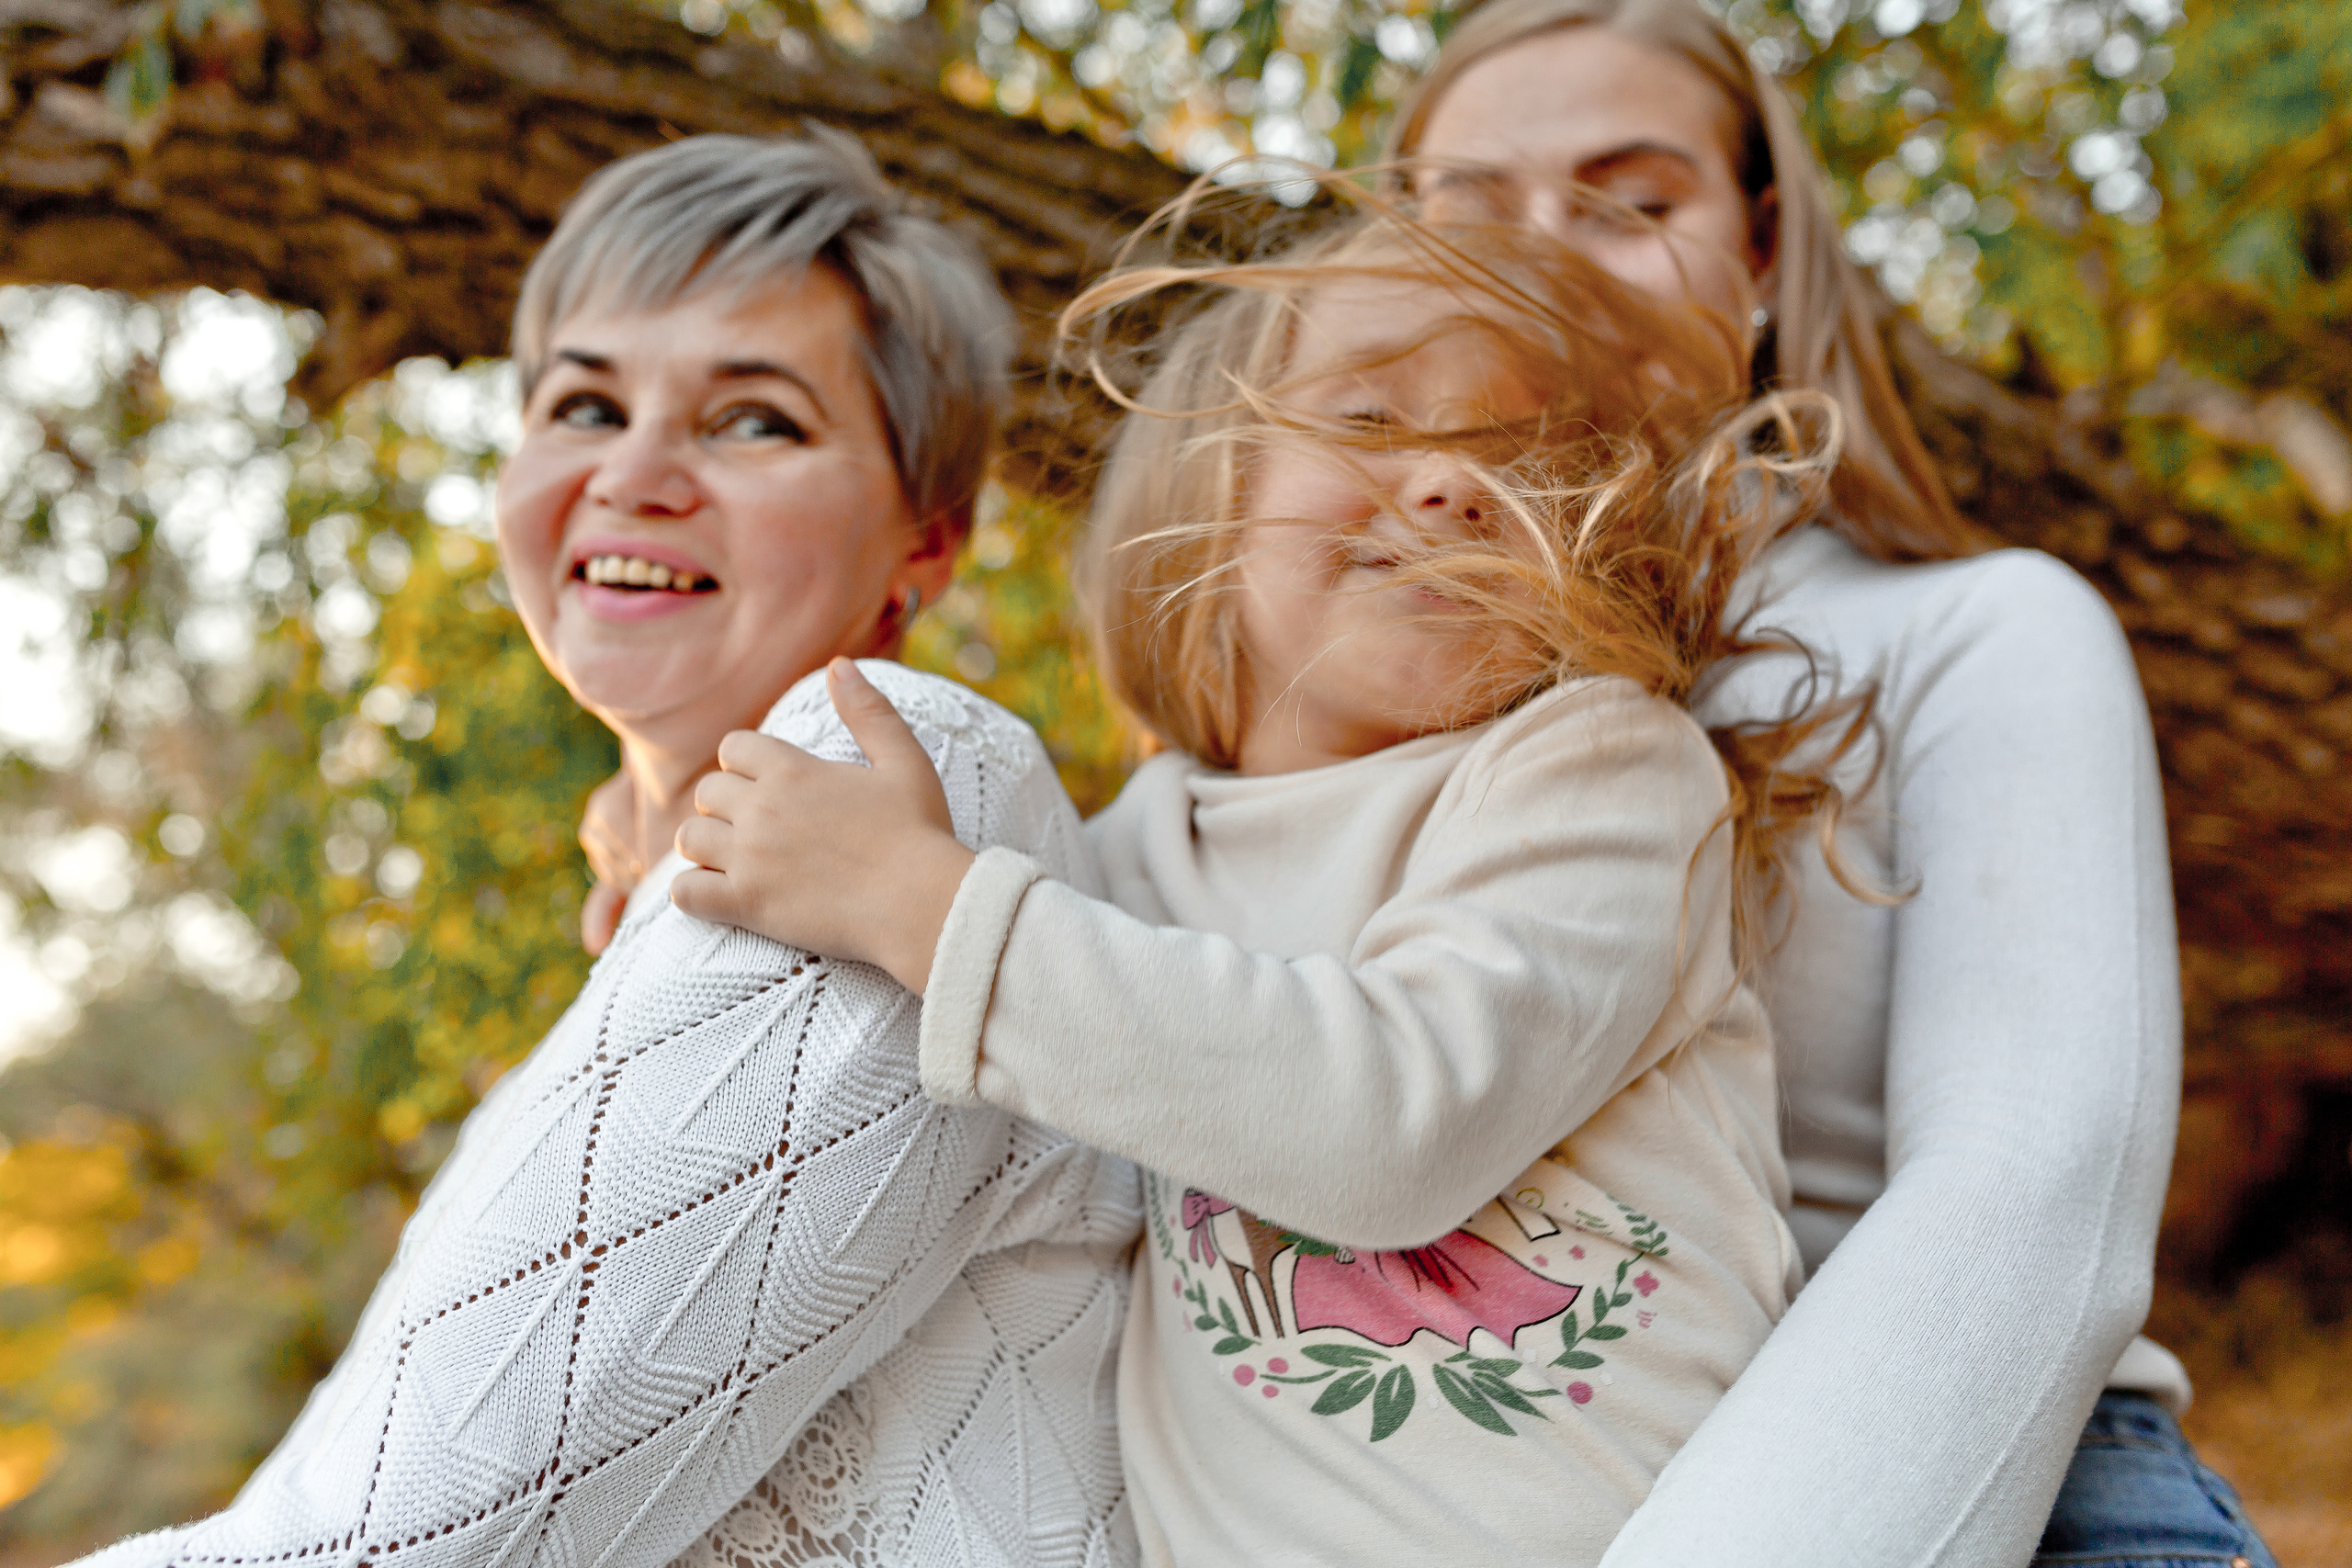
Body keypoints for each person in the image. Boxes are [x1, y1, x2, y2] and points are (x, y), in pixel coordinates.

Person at [661, 199, 1860, 1565]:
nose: (1452, 484)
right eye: (1369, 421)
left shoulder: (1599, 773)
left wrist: (919, 905)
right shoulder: (1115, 860)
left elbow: (1394, 1125)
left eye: (1518, 455)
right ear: (1212, 492)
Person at [75, 131, 1143, 1568]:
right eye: (583, 403)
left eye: (754, 420)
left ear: (926, 546)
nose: (635, 473)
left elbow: (414, 1535)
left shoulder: (896, 786)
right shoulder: (686, 892)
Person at [1385, 3, 2276, 1565]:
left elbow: (2031, 1201)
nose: (1543, 256)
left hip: (2006, 1476)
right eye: (1467, 209)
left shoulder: (1973, 630)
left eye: (1634, 202)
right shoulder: (1342, 704)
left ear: (1762, 252)